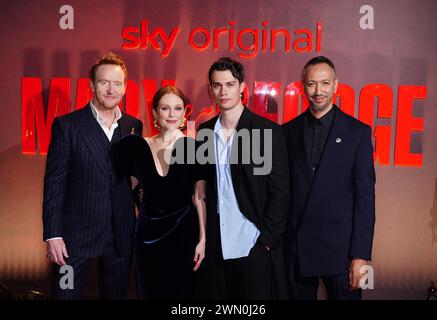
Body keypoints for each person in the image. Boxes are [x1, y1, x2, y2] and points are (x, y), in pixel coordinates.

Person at [42, 53, 143, 299]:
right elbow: (54, 184)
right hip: (74, 237)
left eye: (117, 83)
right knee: (65, 296)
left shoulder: (133, 126)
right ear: (91, 85)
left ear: (125, 87)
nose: (111, 89)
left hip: (120, 235)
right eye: (104, 82)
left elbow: (134, 178)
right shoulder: (68, 126)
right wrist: (52, 234)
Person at [282, 56, 376, 300]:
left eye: (325, 83)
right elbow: (282, 193)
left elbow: (365, 200)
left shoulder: (358, 133)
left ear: (336, 85)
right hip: (297, 250)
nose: (318, 91)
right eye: (312, 84)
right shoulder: (286, 132)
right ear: (303, 87)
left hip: (342, 253)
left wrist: (361, 256)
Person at [196, 57, 290, 299]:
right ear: (211, 89)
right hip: (218, 245)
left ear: (242, 87)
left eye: (229, 84)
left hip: (253, 243)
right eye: (217, 85)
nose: (223, 91)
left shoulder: (265, 131)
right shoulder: (205, 131)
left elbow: (280, 192)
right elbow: (205, 186)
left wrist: (266, 241)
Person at [113, 86, 207, 299]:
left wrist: (202, 239)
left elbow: (200, 197)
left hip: (185, 235)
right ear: (155, 112)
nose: (172, 114)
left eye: (178, 108)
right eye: (165, 108)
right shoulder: (141, 146)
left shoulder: (195, 148)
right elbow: (128, 189)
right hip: (148, 237)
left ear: (185, 112)